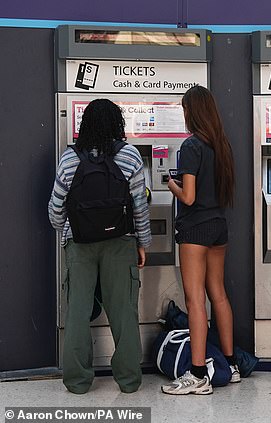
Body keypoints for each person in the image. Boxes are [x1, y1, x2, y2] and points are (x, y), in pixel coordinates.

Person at [48, 98, 151, 394]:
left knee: (78, 311)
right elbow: (140, 207)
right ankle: (129, 381)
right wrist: (143, 243)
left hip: (79, 244)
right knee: (123, 311)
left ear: (85, 125)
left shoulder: (69, 159)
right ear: (117, 124)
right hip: (120, 243)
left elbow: (55, 208)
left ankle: (78, 382)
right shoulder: (130, 156)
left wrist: (67, 232)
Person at [161, 85, 239, 395]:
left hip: (194, 229)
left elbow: (189, 197)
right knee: (217, 293)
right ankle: (231, 365)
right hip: (218, 225)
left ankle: (197, 374)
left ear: (191, 112)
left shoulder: (191, 146)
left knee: (195, 299)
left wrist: (172, 186)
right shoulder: (221, 145)